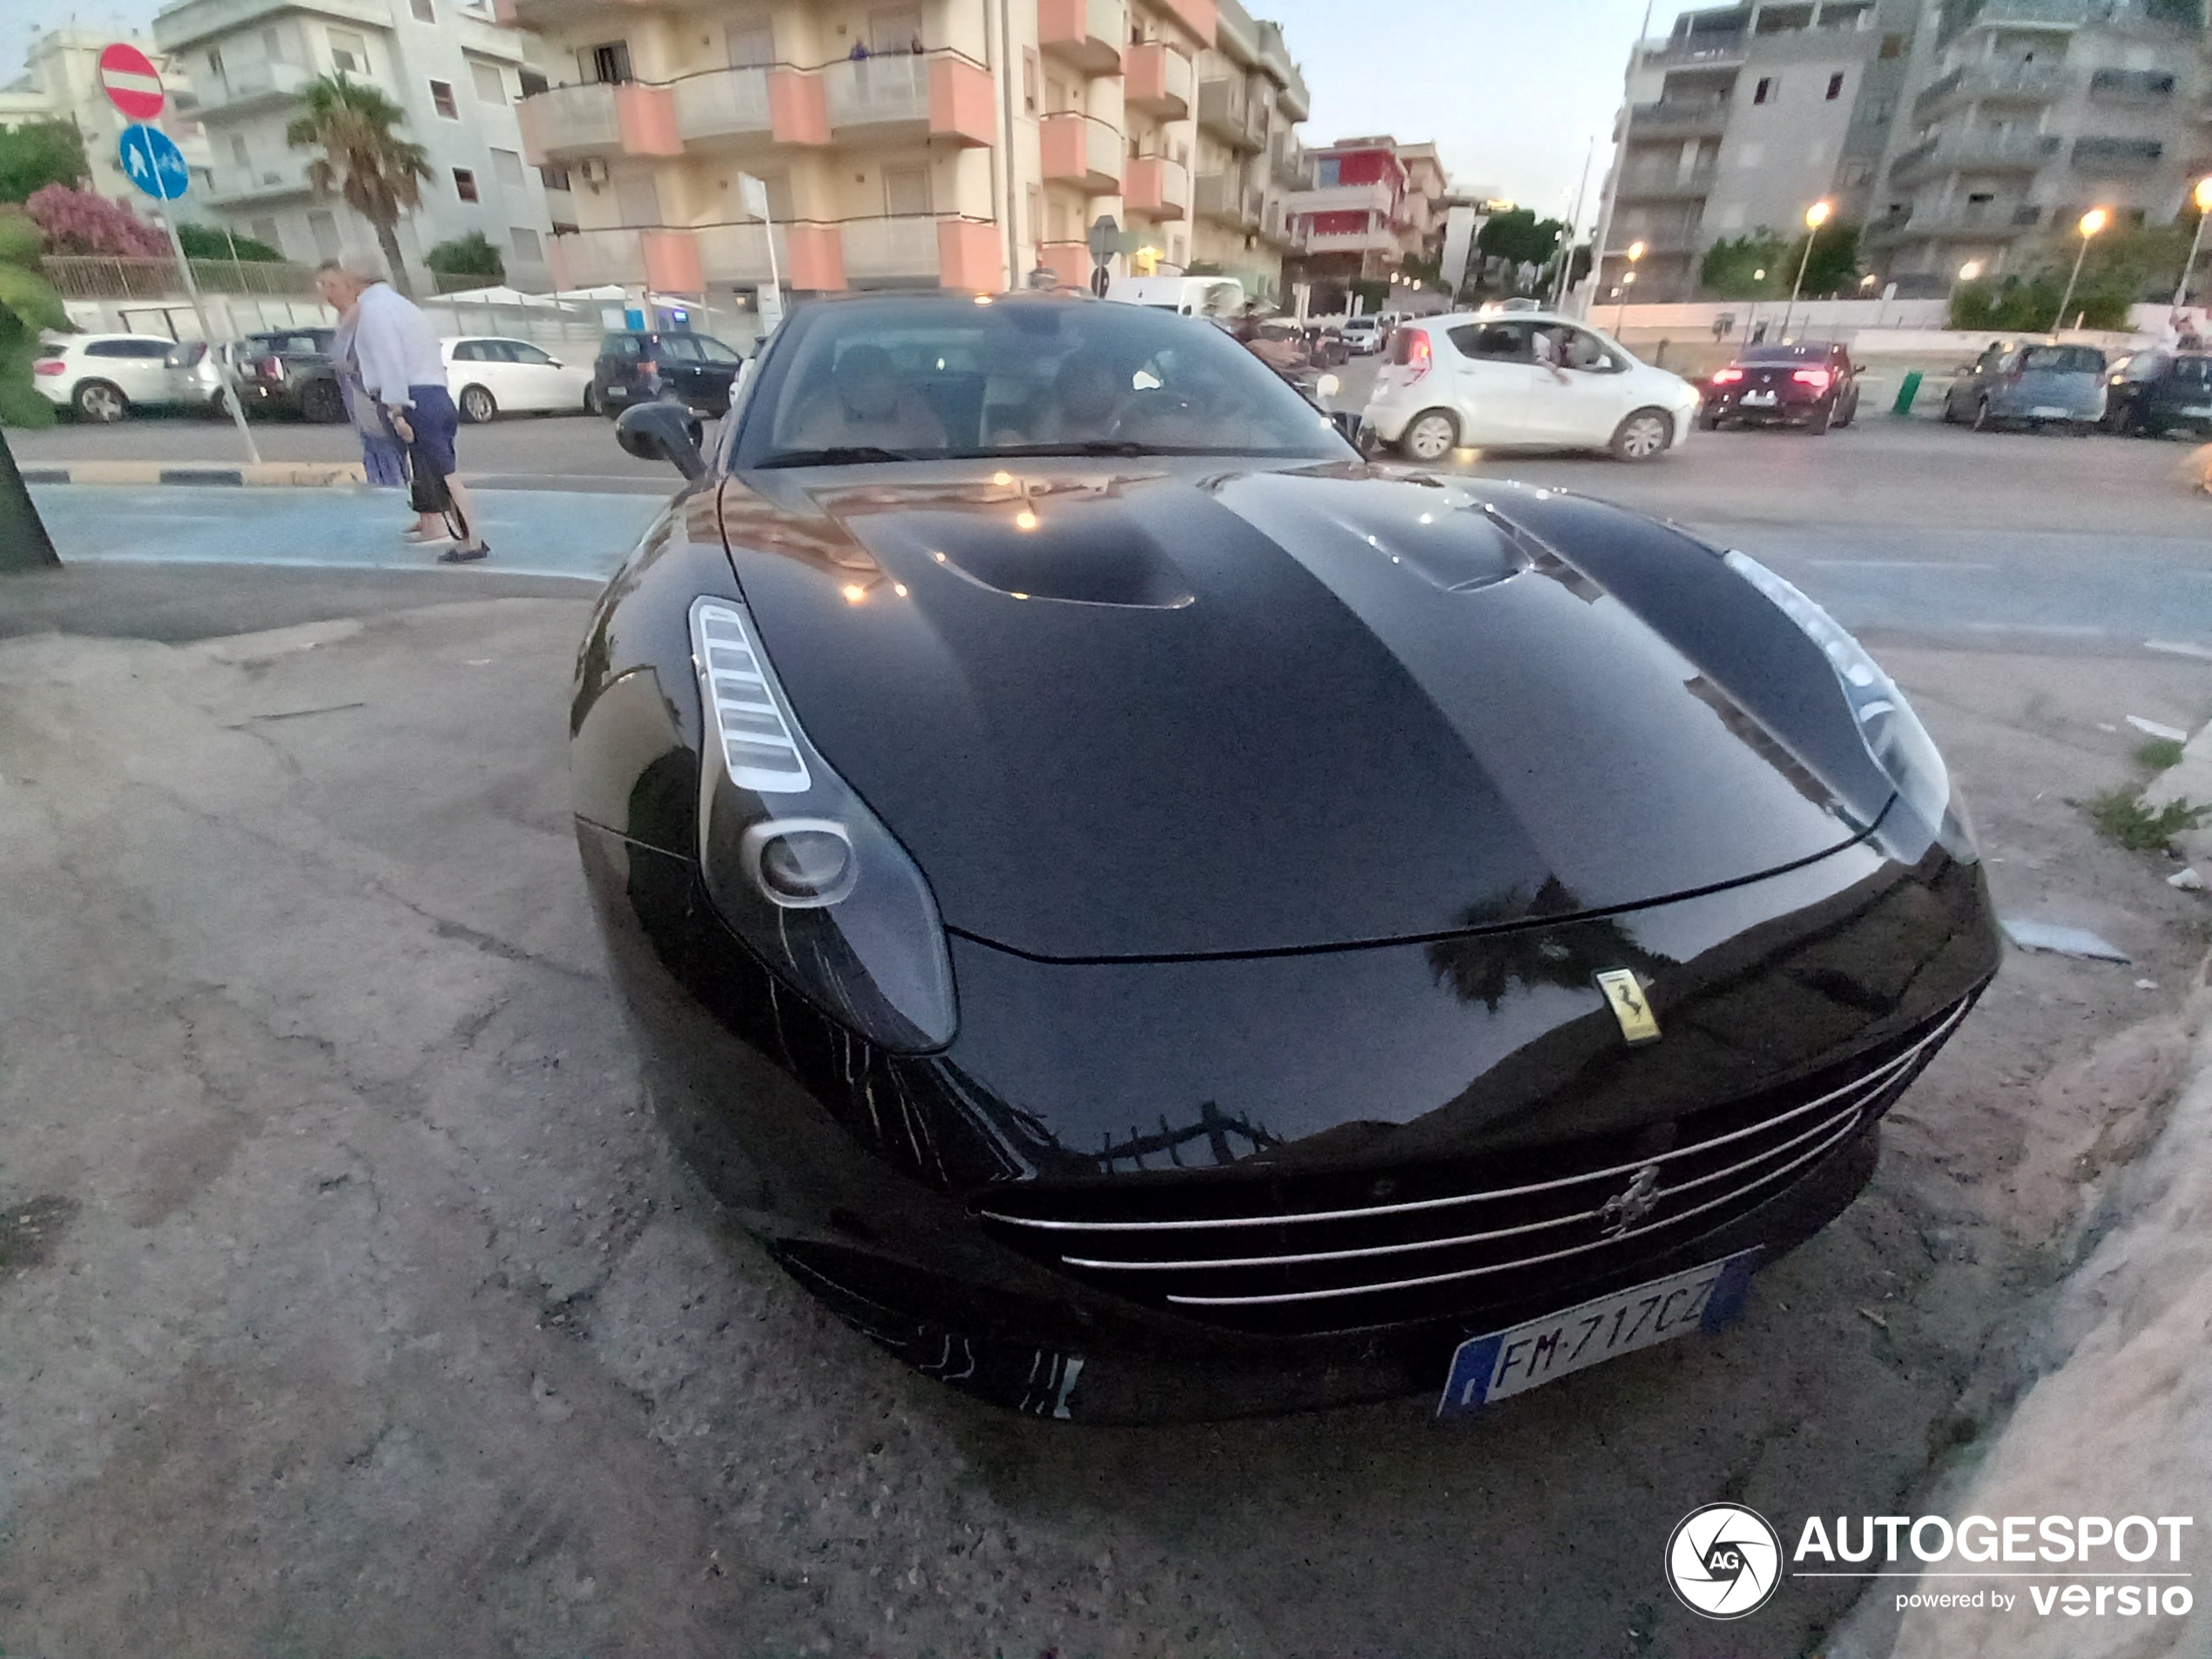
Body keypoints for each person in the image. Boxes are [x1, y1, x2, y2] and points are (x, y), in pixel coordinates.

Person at [315, 252, 489, 563]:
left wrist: (396, 410)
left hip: (413, 397)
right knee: (441, 471)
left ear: (354, 279)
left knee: (445, 474)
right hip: (433, 393)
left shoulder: (373, 311)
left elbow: (389, 360)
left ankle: (470, 541)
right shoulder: (401, 305)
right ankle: (466, 539)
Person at [322, 282, 406, 493]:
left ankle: (393, 487)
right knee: (371, 444)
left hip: (367, 393)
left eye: (331, 284)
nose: (327, 291)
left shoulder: (359, 316)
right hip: (356, 394)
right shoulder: (345, 319)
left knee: (382, 442)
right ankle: (383, 483)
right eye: (323, 285)